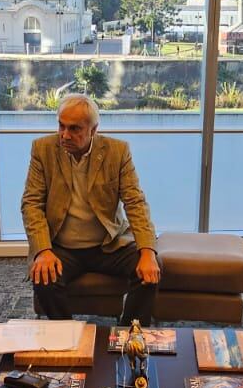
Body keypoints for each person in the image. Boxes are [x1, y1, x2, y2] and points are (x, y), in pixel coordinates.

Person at [22, 93, 160, 324]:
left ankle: (128, 337)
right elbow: (31, 204)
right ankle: (66, 336)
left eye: (74, 129)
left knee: (149, 272)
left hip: (108, 244)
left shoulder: (117, 151)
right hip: (62, 246)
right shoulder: (43, 149)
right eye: (61, 126)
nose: (65, 135)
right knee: (44, 278)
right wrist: (43, 251)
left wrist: (148, 252)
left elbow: (135, 203)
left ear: (93, 130)